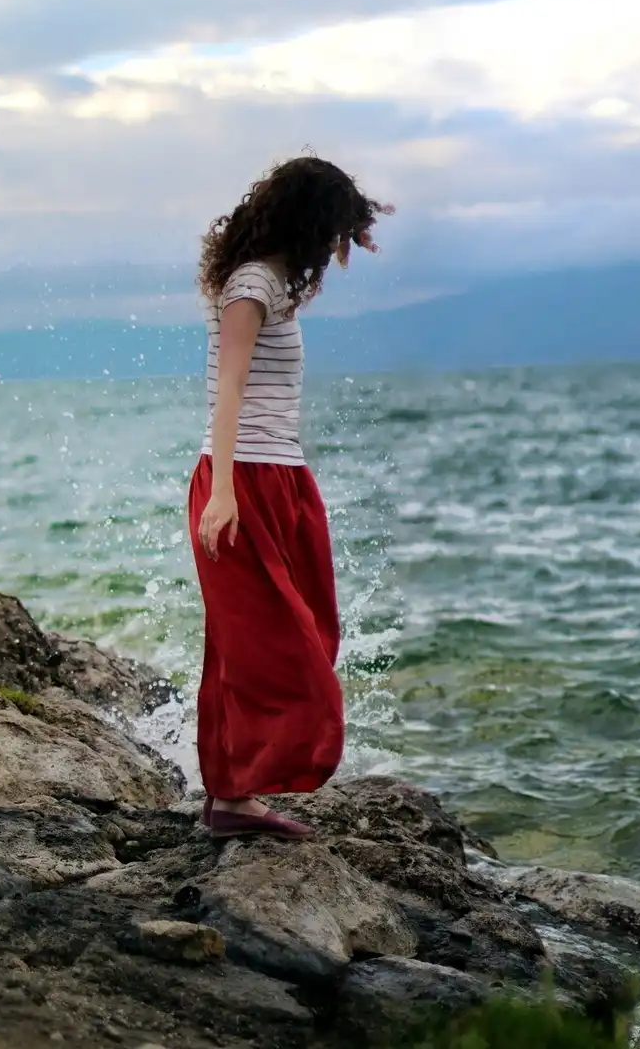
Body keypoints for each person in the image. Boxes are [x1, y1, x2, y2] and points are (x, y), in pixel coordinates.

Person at [189, 156, 392, 839]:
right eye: (333, 232)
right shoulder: (250, 285)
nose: (336, 249)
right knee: (278, 648)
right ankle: (237, 794)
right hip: (240, 480)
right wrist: (221, 495)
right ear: (307, 223)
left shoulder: (273, 282)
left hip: (281, 477)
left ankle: (228, 797)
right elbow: (231, 389)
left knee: (297, 632)